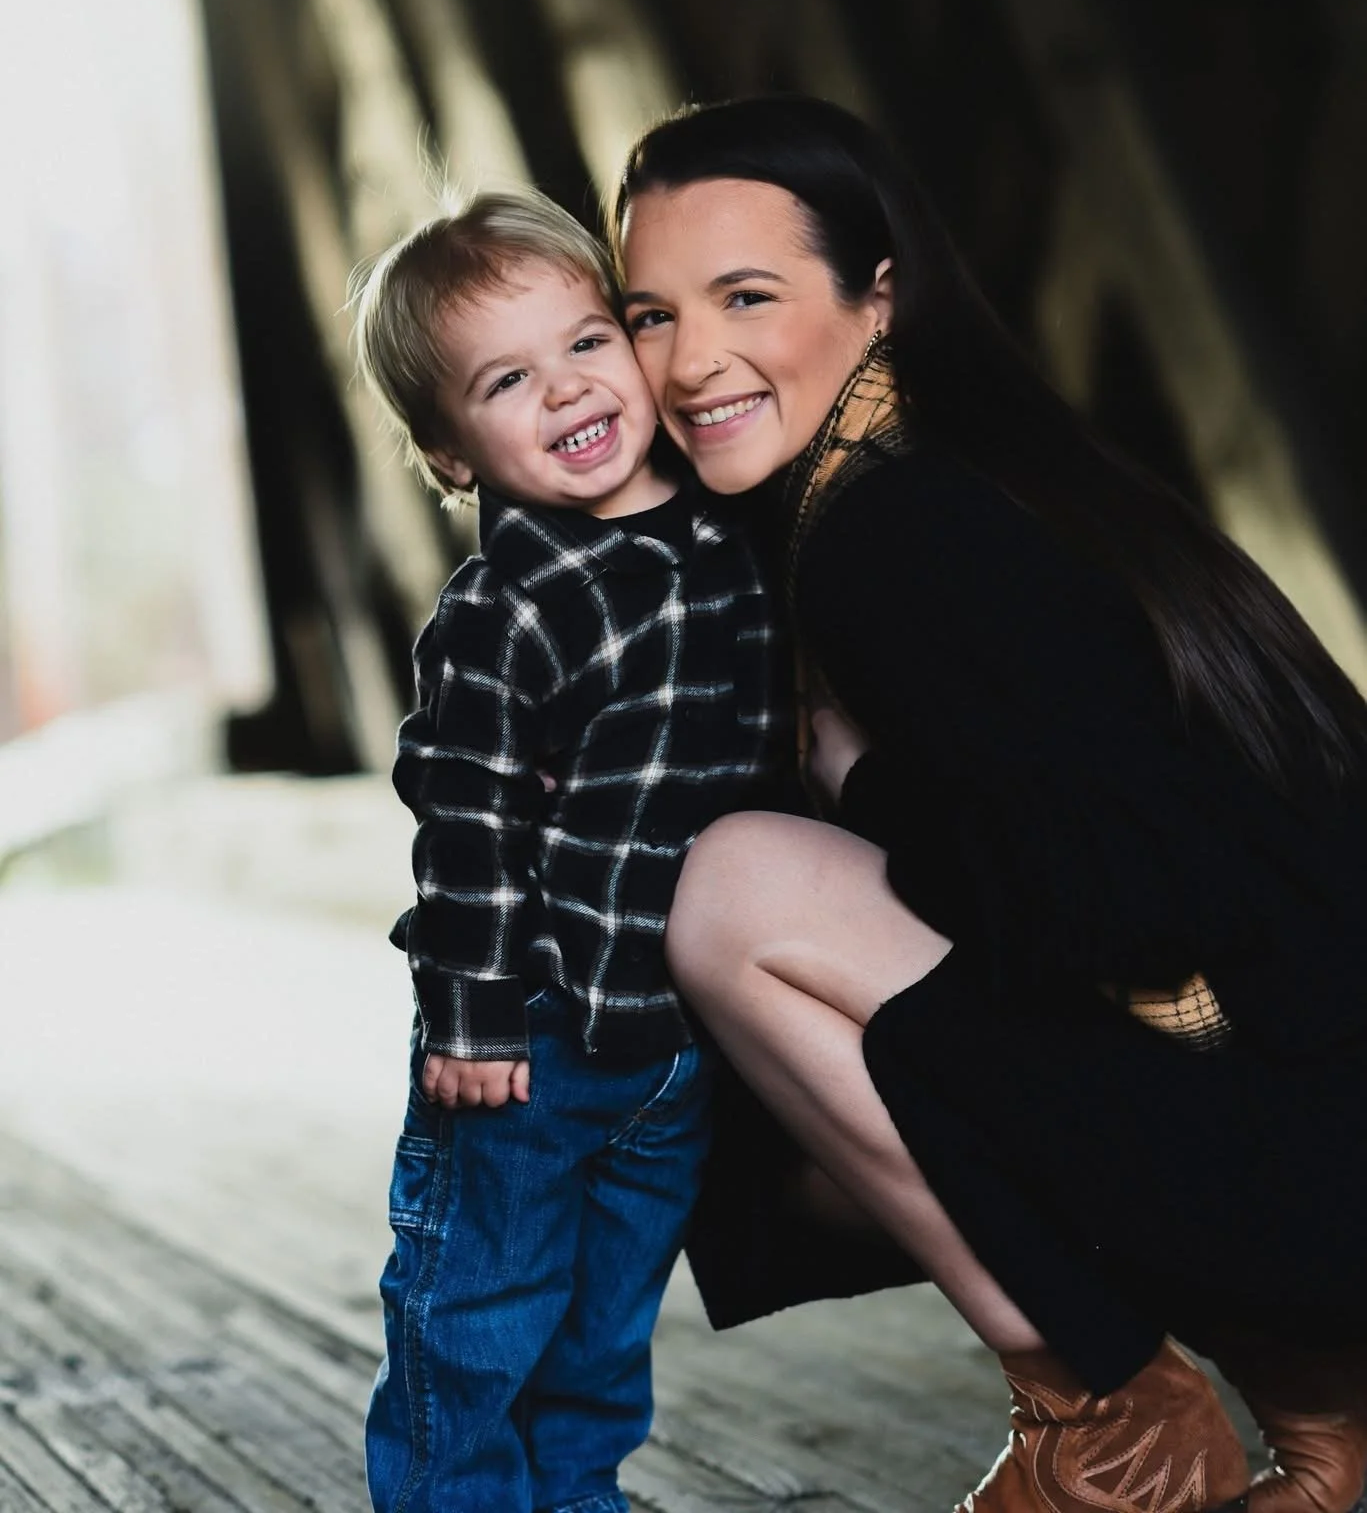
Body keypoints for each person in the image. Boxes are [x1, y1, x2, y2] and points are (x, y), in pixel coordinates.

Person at [612, 95, 1367, 1513]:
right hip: (1323, 1115)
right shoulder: (984, 474)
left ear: (877, 295)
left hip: (1310, 1171)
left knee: (732, 896)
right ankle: (1325, 1420)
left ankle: (1107, 1423)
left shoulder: (892, 533)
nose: (691, 361)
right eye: (648, 315)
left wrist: (866, 781)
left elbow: (1123, 909)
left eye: (746, 297)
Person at [353, 191, 780, 1513]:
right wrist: (469, 1019)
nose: (566, 391)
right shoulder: (504, 609)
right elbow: (464, 819)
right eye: (506, 380)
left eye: (587, 343)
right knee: (474, 1332)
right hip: (527, 1049)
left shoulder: (736, 531)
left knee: (602, 1349)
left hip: (670, 1049)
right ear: (449, 454)